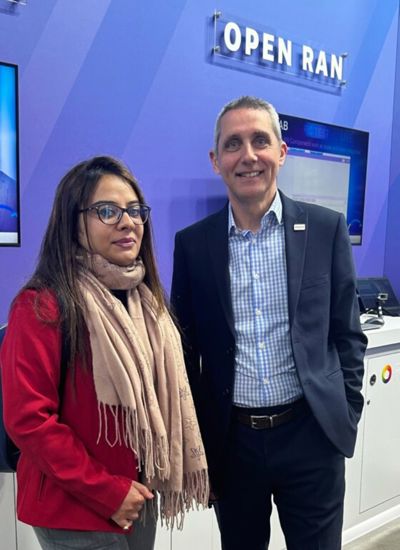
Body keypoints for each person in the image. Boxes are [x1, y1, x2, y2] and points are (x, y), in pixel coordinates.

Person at [171, 96, 368, 550]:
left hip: (311, 436)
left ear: (281, 152)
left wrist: (345, 415)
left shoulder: (326, 228)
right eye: (233, 144)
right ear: (216, 160)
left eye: (260, 140)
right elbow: (185, 351)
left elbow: (347, 333)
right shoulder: (194, 245)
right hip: (232, 443)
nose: (248, 155)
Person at [0, 156, 208, 550]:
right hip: (77, 510)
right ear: (73, 221)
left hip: (138, 500)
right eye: (107, 211)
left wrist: (129, 493)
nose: (127, 222)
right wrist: (107, 492)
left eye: (135, 211)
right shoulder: (41, 306)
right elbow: (29, 421)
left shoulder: (145, 304)